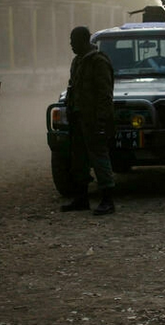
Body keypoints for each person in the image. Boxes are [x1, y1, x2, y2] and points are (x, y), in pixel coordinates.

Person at [61, 26, 117, 215]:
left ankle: (108, 199)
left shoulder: (98, 62)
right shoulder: (78, 61)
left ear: (82, 40)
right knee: (79, 160)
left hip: (93, 119)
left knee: (99, 158)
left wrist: (101, 121)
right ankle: (81, 198)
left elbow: (105, 94)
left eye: (73, 41)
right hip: (79, 118)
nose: (70, 44)